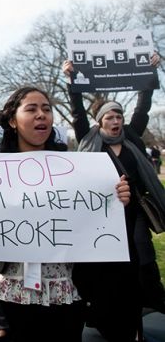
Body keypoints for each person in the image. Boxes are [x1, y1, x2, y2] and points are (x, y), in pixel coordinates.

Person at [0, 87, 131, 342]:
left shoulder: (73, 164)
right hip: (15, 289)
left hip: (65, 288)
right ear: (12, 120)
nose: (42, 115)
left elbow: (95, 205)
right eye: (31, 109)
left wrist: (117, 197)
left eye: (46, 109)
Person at [63, 56, 165, 341]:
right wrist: (73, 80)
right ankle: (103, 316)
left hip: (133, 217)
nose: (116, 121)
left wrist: (151, 71)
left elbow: (143, 107)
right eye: (110, 117)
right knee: (103, 273)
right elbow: (77, 112)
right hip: (98, 219)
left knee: (141, 266)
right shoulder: (88, 139)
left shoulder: (132, 137)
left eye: (119, 116)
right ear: (99, 123)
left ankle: (137, 321)